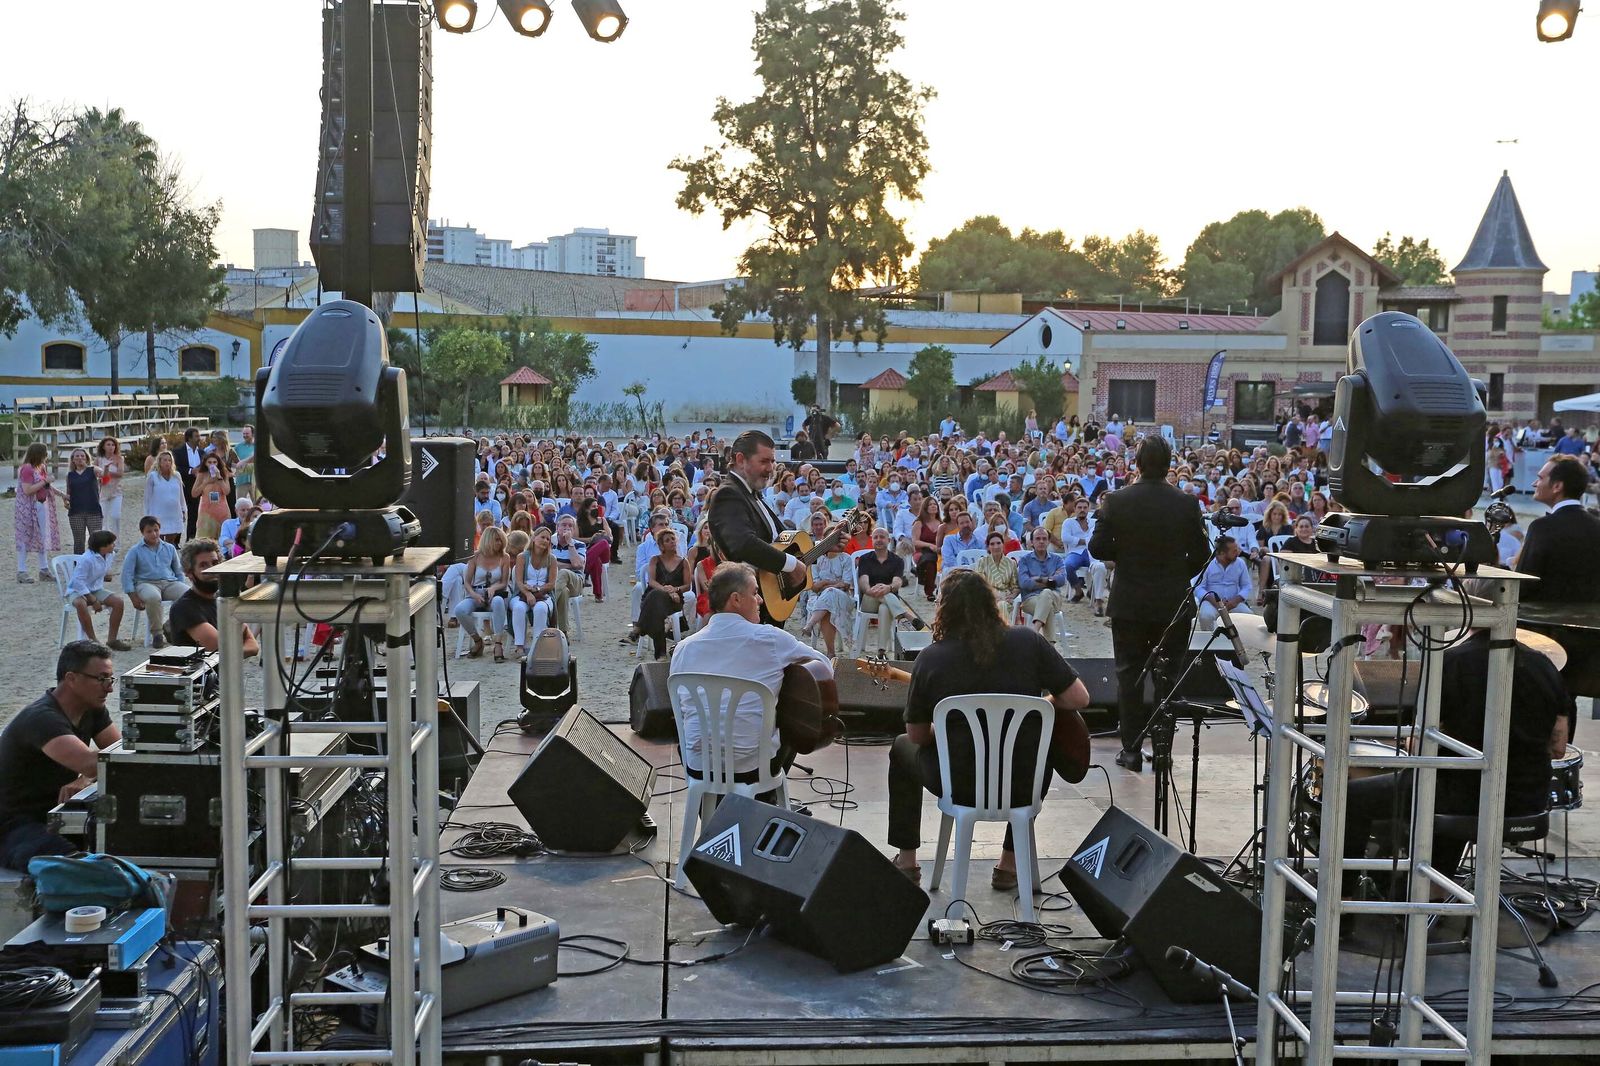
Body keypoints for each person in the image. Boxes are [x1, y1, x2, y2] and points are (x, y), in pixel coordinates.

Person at [886, 569, 1090, 886]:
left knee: (901, 747)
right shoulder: (1029, 641)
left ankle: (908, 861)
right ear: (991, 603)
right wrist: (1038, 707)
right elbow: (1079, 698)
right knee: (1037, 752)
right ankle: (1009, 864)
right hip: (1021, 785)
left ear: (944, 610)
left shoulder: (931, 658)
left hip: (958, 784)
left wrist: (943, 731)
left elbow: (917, 736)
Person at [1342, 630, 1570, 895]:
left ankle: (1343, 900)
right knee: (1441, 790)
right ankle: (1429, 889)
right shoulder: (1544, 665)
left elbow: (1419, 746)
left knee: (1353, 797)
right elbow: (1558, 748)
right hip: (1528, 801)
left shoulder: (1451, 662)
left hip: (1464, 796)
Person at [1089, 436, 1211, 772]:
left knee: (1129, 676)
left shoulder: (1116, 500)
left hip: (1129, 602)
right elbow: (1202, 554)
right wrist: (1175, 573)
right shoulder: (1186, 503)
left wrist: (1127, 557)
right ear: (1169, 464)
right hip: (1172, 603)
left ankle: (1130, 750)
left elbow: (1097, 548)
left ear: (1137, 463)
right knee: (1167, 678)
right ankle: (1162, 752)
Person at [670, 562, 830, 799]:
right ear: (735, 599)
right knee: (791, 721)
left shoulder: (683, 648)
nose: (761, 600)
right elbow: (824, 667)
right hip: (751, 767)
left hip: (698, 766)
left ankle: (712, 809)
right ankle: (764, 802)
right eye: (755, 593)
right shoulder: (770, 639)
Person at [0, 641, 121, 870]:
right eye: (101, 679)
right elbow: (93, 763)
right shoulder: (42, 719)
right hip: (15, 825)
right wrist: (89, 772)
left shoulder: (93, 710)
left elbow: (119, 757)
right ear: (71, 678)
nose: (109, 688)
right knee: (75, 865)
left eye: (110, 679)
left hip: (57, 816)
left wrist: (85, 779)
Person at [707, 430, 803, 625]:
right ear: (740, 460)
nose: (771, 468)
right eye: (764, 461)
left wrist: (824, 546)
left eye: (772, 461)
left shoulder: (752, 493)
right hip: (747, 605)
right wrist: (791, 564)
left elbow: (779, 542)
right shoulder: (729, 494)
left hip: (770, 599)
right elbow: (743, 543)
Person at [1517, 455, 1600, 604]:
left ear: (1557, 487)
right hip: (1591, 615)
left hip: (1544, 615)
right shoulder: (1597, 525)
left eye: (1540, 478)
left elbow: (1523, 583)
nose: (1534, 483)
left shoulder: (1542, 527)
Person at [165, 539, 260, 656]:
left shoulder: (222, 600)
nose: (212, 569)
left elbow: (254, 647)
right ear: (189, 573)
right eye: (203, 565)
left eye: (215, 563)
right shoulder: (184, 608)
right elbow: (220, 647)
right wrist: (239, 630)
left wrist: (233, 647)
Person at [122, 516, 187, 648]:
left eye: (156, 530)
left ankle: (171, 626)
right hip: (146, 583)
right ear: (142, 532)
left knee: (188, 594)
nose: (154, 534)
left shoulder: (169, 548)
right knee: (153, 597)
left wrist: (181, 583)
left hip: (169, 582)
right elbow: (126, 574)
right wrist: (132, 595)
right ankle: (157, 633)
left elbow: (178, 571)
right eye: (149, 531)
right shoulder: (135, 551)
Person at [632, 527, 692, 660]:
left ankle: (639, 628)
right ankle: (661, 655)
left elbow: (687, 586)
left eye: (673, 539)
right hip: (653, 598)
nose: (672, 542)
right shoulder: (655, 560)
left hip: (674, 600)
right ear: (661, 545)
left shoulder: (683, 562)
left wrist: (675, 590)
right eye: (667, 540)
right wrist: (667, 590)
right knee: (657, 603)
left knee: (656, 599)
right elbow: (652, 581)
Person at [454, 526, 513, 661]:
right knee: (460, 610)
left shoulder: (504, 557)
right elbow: (467, 582)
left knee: (498, 601)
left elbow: (504, 582)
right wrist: (474, 595)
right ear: (488, 540)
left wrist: (494, 587)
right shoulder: (475, 556)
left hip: (496, 594)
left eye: (501, 540)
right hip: (476, 593)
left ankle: (498, 643)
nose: (499, 543)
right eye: (496, 540)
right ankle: (477, 639)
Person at [65, 530, 130, 649]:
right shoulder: (87, 559)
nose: (114, 545)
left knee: (118, 602)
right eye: (111, 543)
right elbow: (77, 581)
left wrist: (105, 576)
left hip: (95, 588)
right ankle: (93, 640)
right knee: (80, 604)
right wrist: (93, 600)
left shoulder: (110, 555)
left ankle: (112, 639)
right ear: (102, 547)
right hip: (76, 590)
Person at [802, 514, 854, 657]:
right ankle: (831, 652)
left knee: (830, 593)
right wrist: (830, 583)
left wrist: (824, 583)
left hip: (843, 597)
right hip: (821, 598)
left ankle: (810, 624)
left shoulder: (846, 559)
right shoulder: (817, 560)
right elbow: (814, 587)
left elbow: (845, 584)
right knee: (828, 607)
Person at [857, 526, 925, 632]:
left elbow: (897, 581)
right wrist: (870, 590)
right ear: (872, 540)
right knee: (884, 593)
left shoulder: (897, 560)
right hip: (869, 599)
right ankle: (906, 615)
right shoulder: (864, 559)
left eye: (882, 537)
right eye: (875, 537)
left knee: (884, 608)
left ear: (888, 540)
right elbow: (863, 580)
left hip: (890, 602)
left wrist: (888, 588)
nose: (878, 540)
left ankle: (884, 644)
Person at [15, 442, 61, 583]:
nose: (46, 456)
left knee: (43, 536)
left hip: (41, 504)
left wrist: (63, 495)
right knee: (25, 536)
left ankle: (44, 569)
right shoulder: (27, 468)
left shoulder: (41, 467)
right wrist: (45, 481)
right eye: (45, 453)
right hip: (28, 507)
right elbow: (27, 490)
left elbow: (47, 486)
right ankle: (21, 571)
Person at [510, 526, 557, 658]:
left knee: (540, 608)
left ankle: (538, 646)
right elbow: (519, 582)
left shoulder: (552, 559)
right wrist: (528, 594)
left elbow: (551, 584)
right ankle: (519, 646)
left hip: (543, 594)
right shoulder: (522, 557)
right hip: (522, 593)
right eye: (542, 537)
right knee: (519, 608)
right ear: (534, 538)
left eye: (548, 539)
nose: (545, 540)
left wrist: (537, 590)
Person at [1017, 526, 1070, 639]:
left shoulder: (1057, 559)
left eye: (1044, 538)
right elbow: (1024, 583)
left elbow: (1062, 580)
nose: (1041, 541)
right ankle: (1050, 646)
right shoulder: (1024, 560)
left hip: (1054, 597)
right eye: (1038, 538)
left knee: (1046, 593)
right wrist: (1050, 580)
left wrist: (1038, 579)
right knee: (1047, 606)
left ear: (1049, 541)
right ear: (1032, 542)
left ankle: (1034, 632)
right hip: (1030, 599)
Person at [1195, 535, 1254, 632]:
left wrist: (1235, 600)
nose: (1238, 552)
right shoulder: (1207, 564)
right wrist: (1215, 601)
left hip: (1233, 603)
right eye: (1234, 551)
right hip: (1211, 603)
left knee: (1249, 616)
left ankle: (1241, 640)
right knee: (1206, 616)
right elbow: (1198, 587)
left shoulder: (1240, 563)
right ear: (1222, 553)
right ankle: (1209, 639)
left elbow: (1246, 586)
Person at [549, 515, 588, 636]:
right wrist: (568, 565)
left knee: (564, 573)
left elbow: (577, 565)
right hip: (555, 582)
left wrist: (570, 543)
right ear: (557, 527)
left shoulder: (579, 545)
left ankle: (548, 605)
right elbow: (546, 564)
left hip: (575, 581)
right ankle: (563, 633)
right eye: (564, 525)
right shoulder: (550, 543)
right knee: (564, 592)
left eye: (570, 526)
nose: (567, 528)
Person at [63, 447, 103, 556]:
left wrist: (103, 468)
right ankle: (79, 563)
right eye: (77, 456)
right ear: (73, 459)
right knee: (78, 541)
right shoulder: (70, 475)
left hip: (93, 510)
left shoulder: (92, 470)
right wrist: (65, 501)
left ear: (86, 458)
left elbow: (102, 473)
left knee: (96, 540)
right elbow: (68, 493)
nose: (80, 458)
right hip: (76, 512)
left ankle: (97, 562)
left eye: (82, 456)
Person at [145, 451, 187, 547]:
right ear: (159, 462)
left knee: (170, 542)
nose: (167, 462)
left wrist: (183, 509)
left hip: (174, 513)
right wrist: (148, 514)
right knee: (158, 540)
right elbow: (147, 497)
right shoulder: (153, 476)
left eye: (169, 460)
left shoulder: (176, 476)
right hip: (159, 513)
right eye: (165, 460)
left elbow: (181, 495)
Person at [973, 530, 1019, 610]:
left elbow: (1015, 586)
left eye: (998, 543)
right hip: (987, 597)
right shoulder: (982, 562)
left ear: (1003, 544)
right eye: (992, 544)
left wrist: (1012, 596)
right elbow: (980, 584)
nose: (996, 547)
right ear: (988, 547)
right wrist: (993, 595)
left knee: (1003, 605)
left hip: (1006, 598)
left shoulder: (1011, 563)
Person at [173, 427, 205, 539]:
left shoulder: (202, 452)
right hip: (183, 485)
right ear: (189, 438)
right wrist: (191, 471)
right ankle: (175, 540)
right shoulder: (178, 452)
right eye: (196, 436)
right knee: (179, 513)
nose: (199, 438)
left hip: (197, 486)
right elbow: (175, 468)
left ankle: (190, 539)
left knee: (194, 514)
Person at [94, 436, 125, 542]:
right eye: (108, 445)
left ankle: (116, 541)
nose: (111, 447)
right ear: (103, 447)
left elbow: (120, 473)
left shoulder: (119, 459)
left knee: (116, 516)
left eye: (113, 445)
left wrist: (105, 472)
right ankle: (104, 540)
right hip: (103, 491)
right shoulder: (98, 460)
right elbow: (94, 472)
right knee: (102, 517)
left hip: (116, 491)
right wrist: (102, 475)